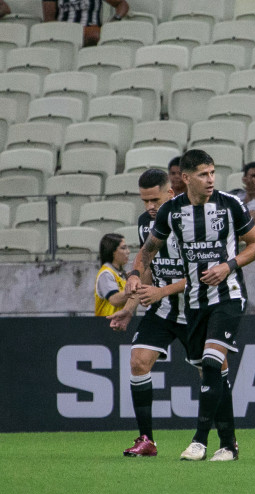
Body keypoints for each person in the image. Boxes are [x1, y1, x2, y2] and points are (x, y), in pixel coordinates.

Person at [125, 149, 255, 462]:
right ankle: (228, 444)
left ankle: (200, 441)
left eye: (212, 172)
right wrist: (134, 275)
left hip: (228, 296)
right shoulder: (170, 213)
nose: (210, 179)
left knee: (212, 365)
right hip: (193, 305)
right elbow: (147, 253)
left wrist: (228, 265)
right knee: (211, 372)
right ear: (185, 178)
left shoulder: (230, 204)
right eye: (203, 174)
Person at [107, 169, 188, 458]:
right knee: (138, 362)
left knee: (212, 372)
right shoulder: (146, 224)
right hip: (163, 307)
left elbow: (203, 274)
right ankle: (147, 440)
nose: (150, 207)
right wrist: (129, 309)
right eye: (145, 201)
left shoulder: (189, 218)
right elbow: (150, 269)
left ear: (170, 192)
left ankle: (224, 438)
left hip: (196, 307)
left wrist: (161, 292)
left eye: (154, 199)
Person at [42, 0, 129, 46]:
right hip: (65, 33)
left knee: (94, 34)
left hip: (91, 31)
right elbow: (49, 21)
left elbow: (122, 4)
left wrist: (113, 21)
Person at [94, 233, 129, 317]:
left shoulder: (122, 274)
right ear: (112, 251)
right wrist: (137, 289)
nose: (128, 251)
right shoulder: (106, 274)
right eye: (123, 248)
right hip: (106, 325)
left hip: (121, 325)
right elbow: (115, 299)